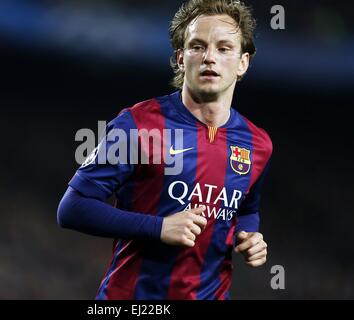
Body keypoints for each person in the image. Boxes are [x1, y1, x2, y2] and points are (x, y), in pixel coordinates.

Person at [57, 0, 272, 300]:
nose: (210, 57)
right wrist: (158, 227)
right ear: (181, 58)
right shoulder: (138, 124)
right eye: (198, 46)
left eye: (224, 48)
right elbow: (72, 208)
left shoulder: (258, 143)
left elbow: (246, 209)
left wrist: (248, 236)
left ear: (243, 63)